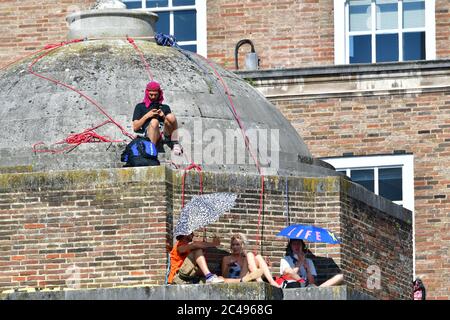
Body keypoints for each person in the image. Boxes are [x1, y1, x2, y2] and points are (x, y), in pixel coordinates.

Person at [132, 81, 183, 155]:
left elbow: (169, 123)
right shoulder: (140, 106)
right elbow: (135, 127)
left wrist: (163, 116)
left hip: (164, 132)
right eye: (151, 95)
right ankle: (151, 150)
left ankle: (175, 142)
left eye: (155, 95)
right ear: (147, 93)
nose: (153, 97)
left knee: (170, 116)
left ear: (159, 94)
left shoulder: (165, 107)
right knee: (154, 121)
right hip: (151, 132)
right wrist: (147, 115)